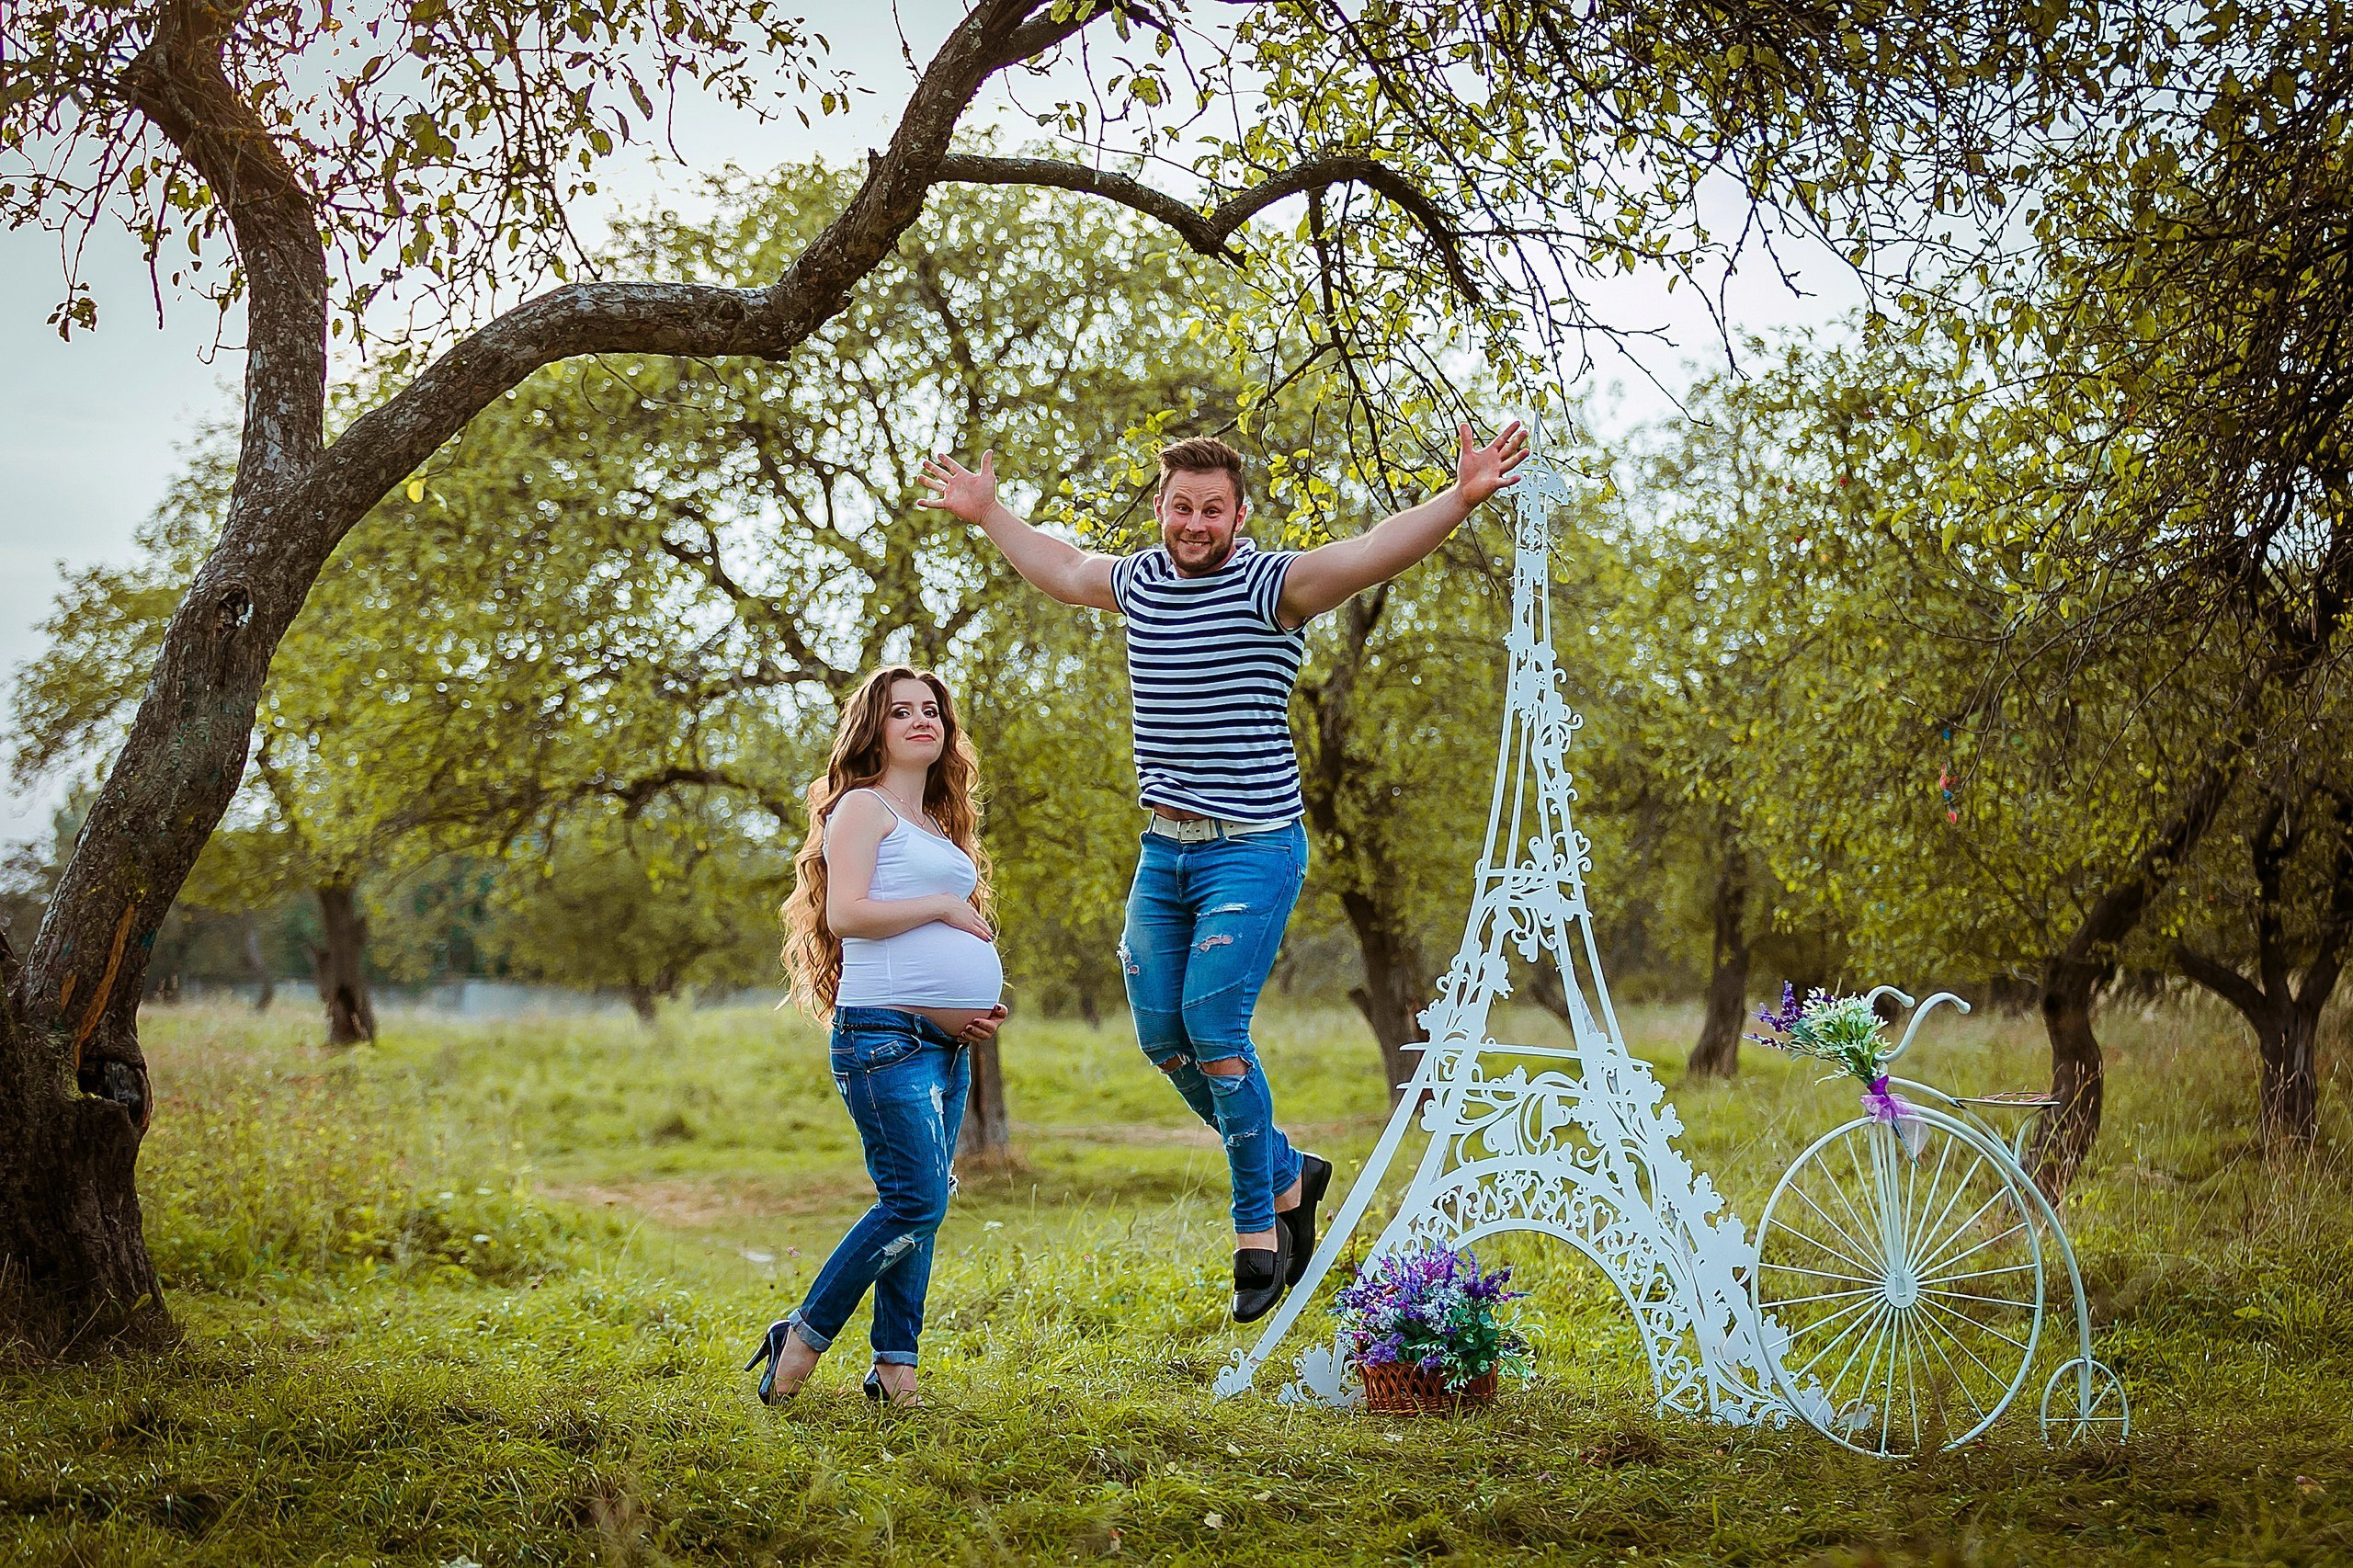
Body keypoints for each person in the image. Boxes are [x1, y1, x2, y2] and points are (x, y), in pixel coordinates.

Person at [918, 423, 1528, 1322]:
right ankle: (1288, 1171)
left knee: (1213, 1023)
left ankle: (1258, 1225)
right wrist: (986, 512)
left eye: (1212, 509)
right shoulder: (1138, 583)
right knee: (1161, 1037)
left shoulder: (1271, 585)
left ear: (1238, 515)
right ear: (1161, 509)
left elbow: (1367, 551)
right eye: (1179, 507)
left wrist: (1460, 498)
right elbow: (1061, 565)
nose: (1193, 523)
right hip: (1163, 850)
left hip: (1252, 844)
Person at [746, 665, 1010, 1406]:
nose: (922, 720)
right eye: (903, 712)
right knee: (916, 1200)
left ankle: (897, 1364)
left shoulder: (937, 825)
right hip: (880, 1037)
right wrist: (943, 909)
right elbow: (848, 916)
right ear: (876, 729)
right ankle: (800, 1337)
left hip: (940, 1043)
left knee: (923, 1200)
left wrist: (966, 1009)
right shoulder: (860, 809)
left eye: (933, 711)